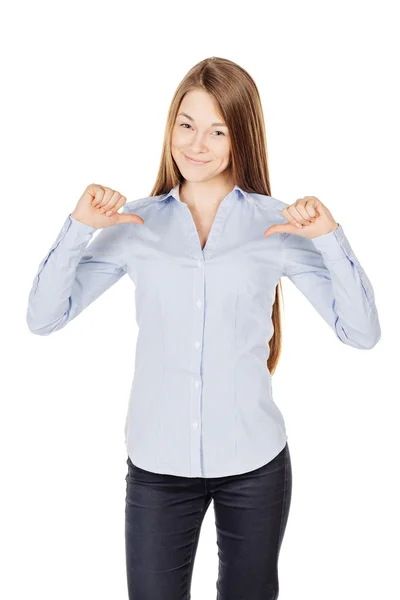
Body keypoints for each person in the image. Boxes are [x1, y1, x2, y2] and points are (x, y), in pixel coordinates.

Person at [26, 56, 381, 599]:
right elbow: (44, 317)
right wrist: (78, 227)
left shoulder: (277, 223)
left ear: (241, 137)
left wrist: (331, 237)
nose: (197, 143)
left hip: (255, 467)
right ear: (170, 127)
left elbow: (361, 333)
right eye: (187, 124)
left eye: (218, 130)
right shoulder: (135, 225)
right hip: (157, 469)